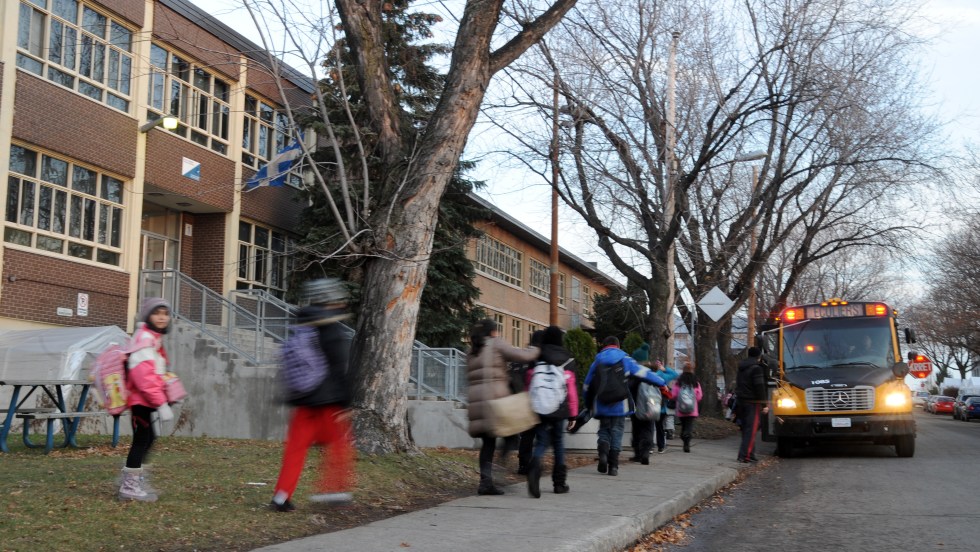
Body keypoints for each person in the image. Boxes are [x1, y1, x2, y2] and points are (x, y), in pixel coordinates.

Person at [270, 278, 356, 512]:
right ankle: (334, 491)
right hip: (328, 401)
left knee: (295, 449)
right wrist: (346, 403)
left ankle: (281, 496)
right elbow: (338, 368)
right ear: (333, 300)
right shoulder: (332, 328)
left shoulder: (302, 324)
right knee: (339, 445)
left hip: (303, 399)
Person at [466, 319, 540, 495]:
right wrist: (536, 348)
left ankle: (485, 482)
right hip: (496, 400)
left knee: (488, 443)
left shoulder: (471, 351)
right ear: (493, 332)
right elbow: (522, 356)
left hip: (477, 402)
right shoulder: (495, 344)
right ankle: (499, 468)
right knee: (512, 435)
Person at [119, 297, 177, 502]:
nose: (162, 318)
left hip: (145, 399)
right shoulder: (144, 339)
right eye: (157, 313)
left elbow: (155, 373)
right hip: (140, 400)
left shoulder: (152, 337)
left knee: (148, 438)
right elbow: (143, 377)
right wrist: (161, 403)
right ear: (148, 316)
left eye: (165, 314)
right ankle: (129, 486)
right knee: (141, 440)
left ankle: (133, 478)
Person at [583, 336, 666, 476]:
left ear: (604, 346)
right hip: (620, 405)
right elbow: (644, 373)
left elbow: (586, 385)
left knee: (604, 430)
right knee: (617, 432)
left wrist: (588, 403)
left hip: (602, 403)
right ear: (618, 346)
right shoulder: (625, 359)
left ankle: (603, 454)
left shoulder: (597, 361)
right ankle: (613, 466)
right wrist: (661, 382)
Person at [525, 325, 579, 497]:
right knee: (558, 443)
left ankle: (535, 465)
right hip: (559, 407)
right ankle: (559, 484)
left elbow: (529, 382)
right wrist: (573, 414)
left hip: (539, 406)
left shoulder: (536, 357)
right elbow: (571, 389)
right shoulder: (567, 359)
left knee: (541, 441)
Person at [735, 347, 769, 463]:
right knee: (751, 429)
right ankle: (745, 455)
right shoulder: (757, 369)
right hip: (752, 402)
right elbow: (760, 387)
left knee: (746, 428)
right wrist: (764, 404)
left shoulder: (741, 368)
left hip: (741, 401)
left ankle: (751, 453)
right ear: (759, 356)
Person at [671, 362, 703, 453]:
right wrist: (693, 401)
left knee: (683, 425)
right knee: (689, 425)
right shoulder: (695, 382)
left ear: (683, 370)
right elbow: (699, 396)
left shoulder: (678, 382)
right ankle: (687, 441)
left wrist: (678, 400)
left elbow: (673, 395)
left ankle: (684, 436)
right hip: (692, 409)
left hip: (681, 408)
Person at [650, 359, 678, 454]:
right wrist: (665, 369)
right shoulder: (663, 376)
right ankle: (661, 447)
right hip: (661, 406)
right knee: (659, 427)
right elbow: (675, 374)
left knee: (649, 426)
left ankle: (650, 447)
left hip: (650, 405)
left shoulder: (649, 375)